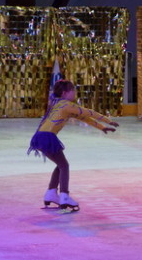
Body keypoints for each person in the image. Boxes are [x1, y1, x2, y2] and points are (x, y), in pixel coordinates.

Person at [28, 79, 119, 211]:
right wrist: (108, 121)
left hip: (40, 136)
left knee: (60, 165)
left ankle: (51, 194)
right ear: (65, 93)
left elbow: (83, 117)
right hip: (47, 137)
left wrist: (102, 127)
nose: (75, 93)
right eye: (73, 90)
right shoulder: (66, 104)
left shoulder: (59, 104)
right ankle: (64, 196)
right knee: (64, 166)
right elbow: (88, 112)